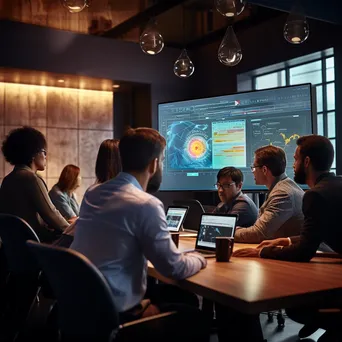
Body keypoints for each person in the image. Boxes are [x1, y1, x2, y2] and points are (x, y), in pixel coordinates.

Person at [70, 127, 209, 341]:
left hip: (83, 305)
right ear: (154, 164)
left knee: (183, 297)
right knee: (194, 317)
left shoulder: (92, 193)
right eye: (161, 161)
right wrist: (198, 258)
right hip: (116, 312)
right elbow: (173, 268)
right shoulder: (146, 204)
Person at [233, 135, 342, 341]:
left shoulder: (315, 194)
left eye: (295, 159)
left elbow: (304, 251)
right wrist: (287, 241)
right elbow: (313, 235)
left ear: (307, 162)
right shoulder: (334, 185)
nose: (292, 165)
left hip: (330, 276)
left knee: (294, 307)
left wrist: (263, 251)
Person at [0, 126, 69, 243]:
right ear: (33, 153)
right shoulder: (31, 178)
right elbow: (52, 215)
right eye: (44, 152)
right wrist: (72, 229)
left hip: (15, 247)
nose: (46, 156)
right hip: (36, 247)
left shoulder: (7, 179)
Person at [234, 145, 304, 243]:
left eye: (253, 168)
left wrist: (228, 232)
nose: (252, 172)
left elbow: (258, 234)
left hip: (298, 256)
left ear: (264, 170)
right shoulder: (283, 187)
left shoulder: (282, 194)